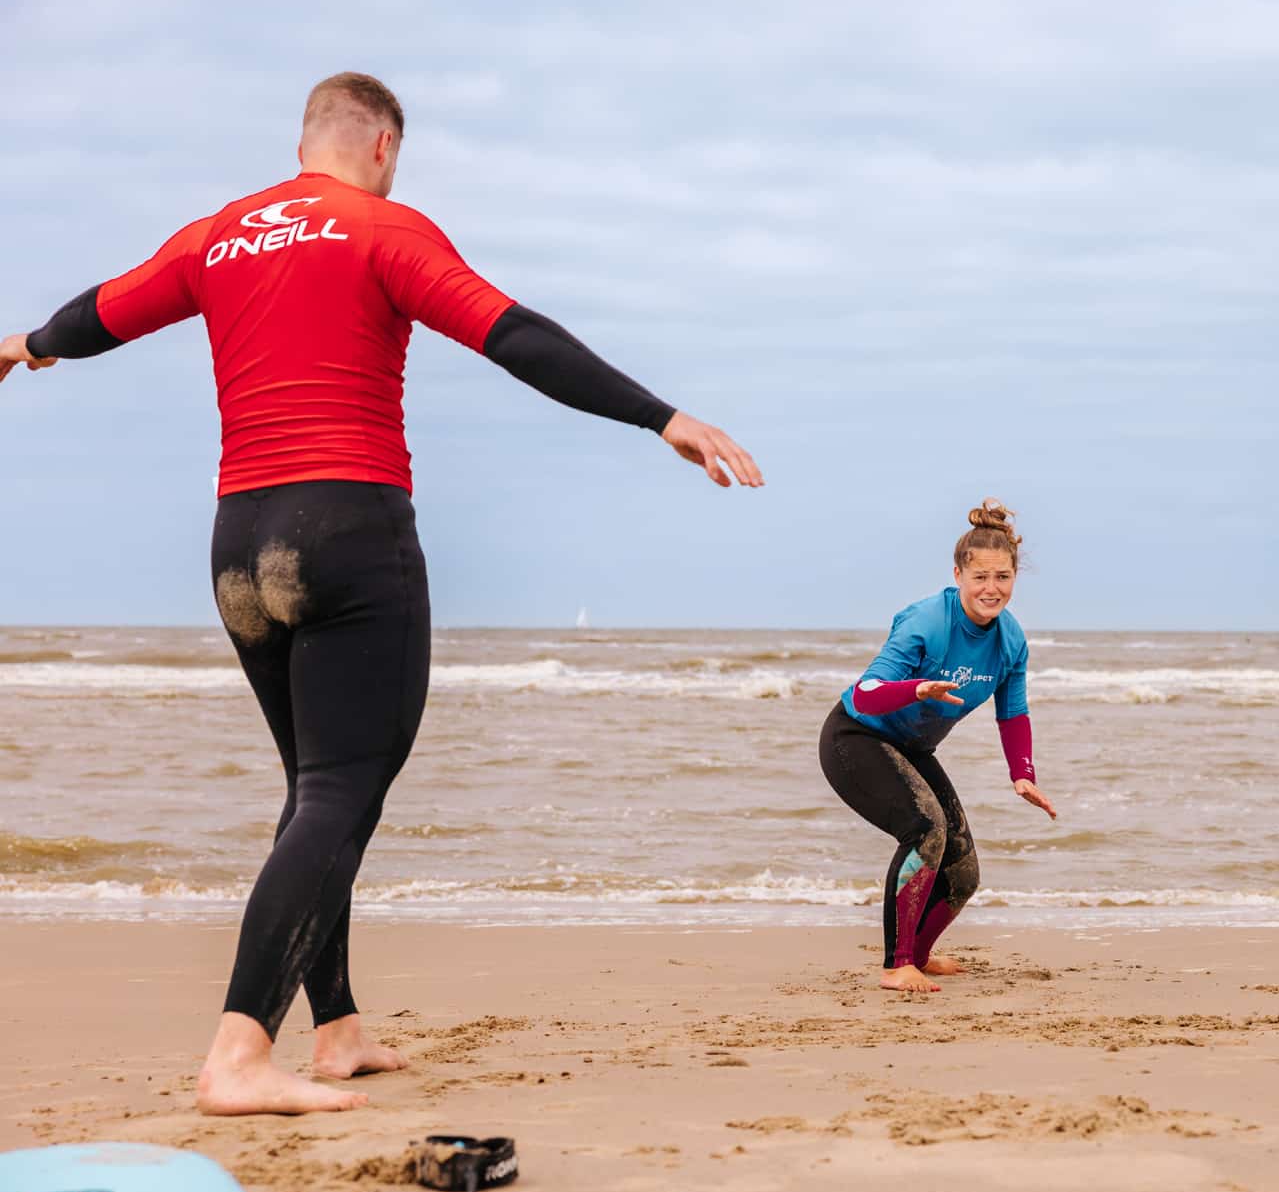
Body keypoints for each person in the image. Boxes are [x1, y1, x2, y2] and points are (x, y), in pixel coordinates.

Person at [0, 73, 762, 1116]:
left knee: (313, 791)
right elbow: (514, 334)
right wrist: (657, 415)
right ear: (383, 143)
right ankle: (236, 1053)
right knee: (339, 795)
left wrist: (31, 343)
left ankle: (340, 1028)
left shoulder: (215, 237)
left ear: (306, 137)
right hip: (347, 529)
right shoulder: (380, 227)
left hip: (239, 546)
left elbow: (102, 313)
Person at [819, 501, 1058, 993]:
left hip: (911, 747)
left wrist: (1023, 773)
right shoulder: (928, 622)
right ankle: (897, 964)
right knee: (926, 828)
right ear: (958, 574)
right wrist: (916, 689)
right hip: (857, 737)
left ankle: (920, 955)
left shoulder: (1010, 640)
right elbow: (865, 692)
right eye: (980, 577)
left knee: (964, 871)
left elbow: (1012, 711)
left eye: (1003, 577)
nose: (991, 588)